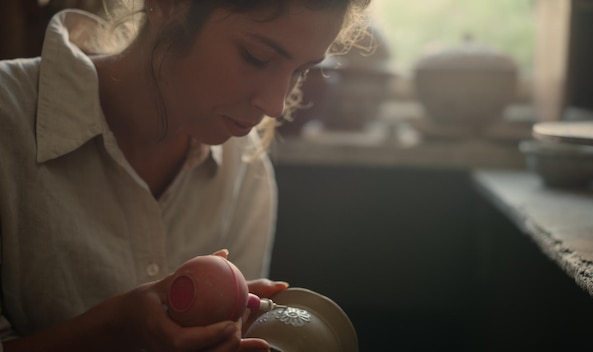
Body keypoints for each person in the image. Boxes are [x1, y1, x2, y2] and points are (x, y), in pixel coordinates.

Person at [0, 0, 370, 351]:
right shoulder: (9, 122)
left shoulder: (245, 168)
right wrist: (113, 331)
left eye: (300, 70)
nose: (275, 104)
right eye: (257, 57)